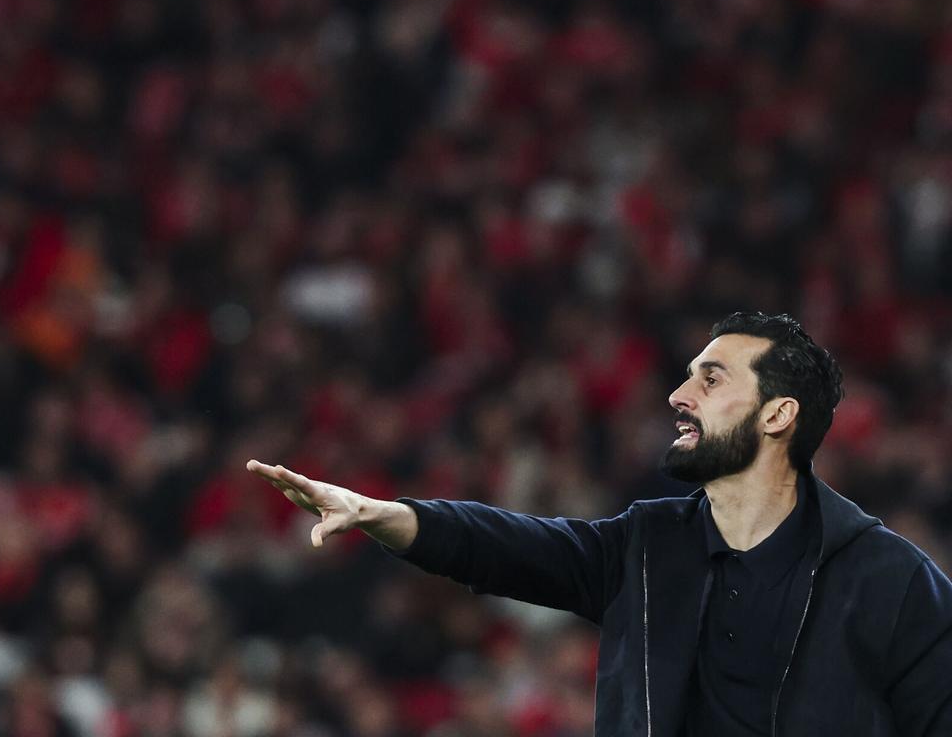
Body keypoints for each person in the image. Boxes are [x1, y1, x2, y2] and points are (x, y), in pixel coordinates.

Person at [247, 312, 952, 736]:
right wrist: (381, 514)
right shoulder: (645, 549)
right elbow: (504, 548)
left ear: (778, 415)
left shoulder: (891, 582)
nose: (678, 396)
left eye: (711, 379)